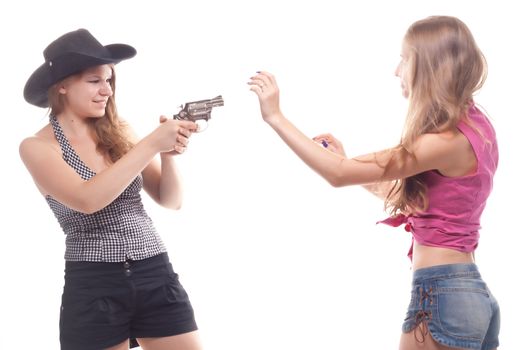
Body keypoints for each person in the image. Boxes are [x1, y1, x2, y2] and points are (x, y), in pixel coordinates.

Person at [249, 16, 500, 350]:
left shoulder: (445, 141)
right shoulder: (476, 127)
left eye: (404, 59)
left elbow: (338, 174)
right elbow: (410, 196)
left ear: (427, 65)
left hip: (442, 295)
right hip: (467, 295)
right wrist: (347, 159)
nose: (397, 70)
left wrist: (275, 117)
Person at [20, 29, 202, 350]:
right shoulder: (37, 147)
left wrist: (167, 154)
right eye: (94, 81)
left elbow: (170, 201)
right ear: (62, 86)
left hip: (155, 271)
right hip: (94, 283)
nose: (107, 90)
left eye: (109, 81)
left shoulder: (119, 132)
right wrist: (149, 144)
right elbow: (88, 199)